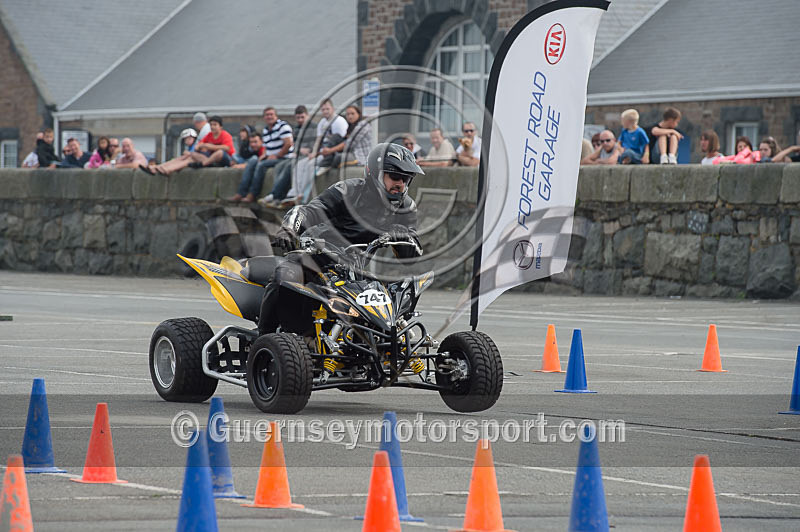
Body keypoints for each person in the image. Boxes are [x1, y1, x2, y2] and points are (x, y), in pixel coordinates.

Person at [259, 143, 424, 335]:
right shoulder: (348, 190)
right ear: (375, 174)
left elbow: (412, 256)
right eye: (395, 177)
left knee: (386, 301)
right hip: (314, 259)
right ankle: (264, 336)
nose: (401, 184)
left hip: (353, 271)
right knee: (285, 274)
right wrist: (289, 229)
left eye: (406, 179)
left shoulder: (406, 206)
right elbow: (309, 211)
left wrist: (403, 236)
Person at [230, 107, 294, 203]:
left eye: (271, 114)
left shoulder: (283, 126)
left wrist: (277, 155)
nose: (269, 117)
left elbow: (288, 144)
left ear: (276, 116)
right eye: (267, 115)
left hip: (283, 158)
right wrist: (263, 155)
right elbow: (266, 147)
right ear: (264, 117)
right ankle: (241, 193)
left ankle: (252, 194)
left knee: (261, 165)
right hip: (270, 157)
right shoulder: (266, 130)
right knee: (253, 162)